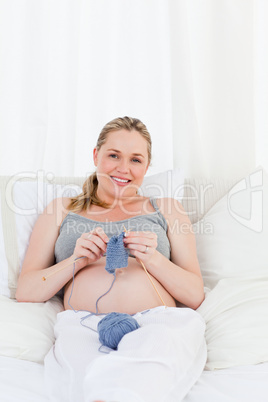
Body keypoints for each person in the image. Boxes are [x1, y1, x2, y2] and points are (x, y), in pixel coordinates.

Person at [16, 116, 206, 402]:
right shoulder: (60, 209)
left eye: (136, 160)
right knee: (83, 388)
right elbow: (27, 291)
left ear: (147, 166)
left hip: (157, 324)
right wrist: (76, 260)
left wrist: (153, 259)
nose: (123, 168)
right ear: (96, 155)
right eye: (113, 155)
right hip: (83, 326)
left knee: (139, 381)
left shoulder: (167, 209)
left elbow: (194, 295)